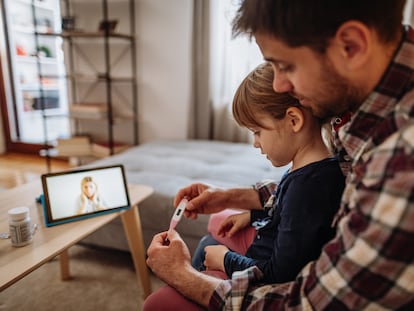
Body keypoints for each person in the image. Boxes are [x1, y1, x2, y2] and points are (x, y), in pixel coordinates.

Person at [145, 0, 414, 309]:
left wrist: (184, 276)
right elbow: (315, 199)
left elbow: (307, 303)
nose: (278, 84)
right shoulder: (358, 110)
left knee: (158, 303)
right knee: (215, 228)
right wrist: (230, 197)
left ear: (351, 46)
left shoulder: (401, 159)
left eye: (286, 66)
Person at [190, 62, 345, 285]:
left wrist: (226, 261)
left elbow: (279, 273)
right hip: (265, 243)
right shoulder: (311, 168)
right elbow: (289, 216)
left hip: (263, 269)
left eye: (257, 132)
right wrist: (252, 216)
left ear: (294, 120)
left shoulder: (308, 187)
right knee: (212, 233)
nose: (255, 143)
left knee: (160, 301)